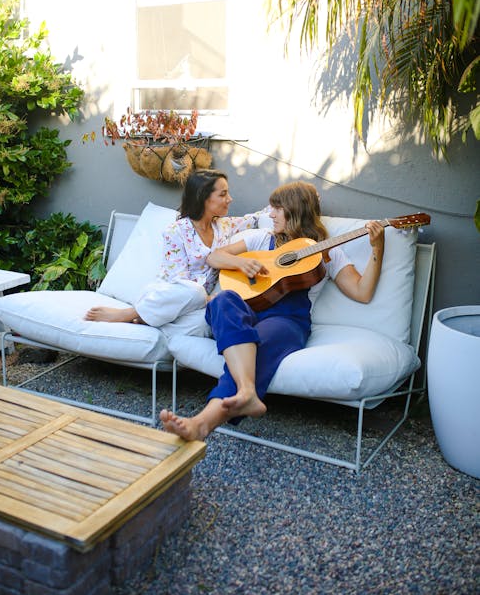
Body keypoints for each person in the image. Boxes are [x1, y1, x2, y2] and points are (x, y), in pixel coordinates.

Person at [160, 180, 385, 441]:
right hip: (247, 310)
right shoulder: (262, 238)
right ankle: (246, 391)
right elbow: (214, 257)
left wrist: (377, 248)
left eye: (277, 208)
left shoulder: (327, 252)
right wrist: (241, 265)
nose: (271, 214)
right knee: (222, 301)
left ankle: (201, 423)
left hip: (286, 320)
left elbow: (362, 291)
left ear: (295, 210)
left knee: (261, 343)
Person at [84, 169, 267, 327]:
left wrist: (281, 207)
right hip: (169, 293)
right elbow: (177, 280)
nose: (230, 199)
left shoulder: (224, 226)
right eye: (223, 194)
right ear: (203, 197)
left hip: (192, 303)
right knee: (194, 291)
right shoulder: (176, 231)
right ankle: (129, 314)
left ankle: (148, 317)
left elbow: (256, 218)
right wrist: (206, 298)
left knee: (201, 300)